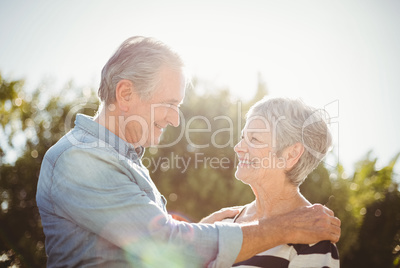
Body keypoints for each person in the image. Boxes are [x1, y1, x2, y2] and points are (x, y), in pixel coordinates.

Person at [36, 36, 340, 267]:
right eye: (170, 104)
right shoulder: (81, 160)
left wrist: (201, 231)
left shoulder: (124, 162)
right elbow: (165, 244)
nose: (175, 118)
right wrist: (282, 228)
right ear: (125, 94)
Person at [223, 97, 339, 267]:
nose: (238, 147)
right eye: (243, 137)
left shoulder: (314, 237)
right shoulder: (224, 222)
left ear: (291, 154)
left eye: (254, 139)